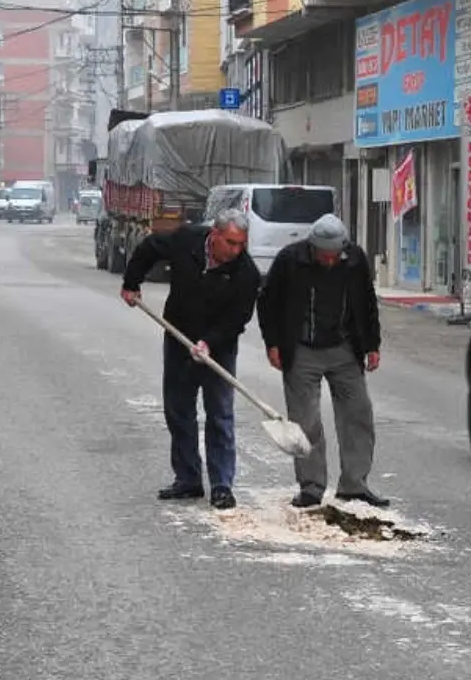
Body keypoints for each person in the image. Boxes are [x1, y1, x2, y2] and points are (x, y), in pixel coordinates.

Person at [120, 209, 261, 510]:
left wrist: (210, 342)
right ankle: (188, 479)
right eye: (230, 243)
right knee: (179, 410)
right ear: (215, 235)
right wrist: (131, 282)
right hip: (178, 337)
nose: (236, 251)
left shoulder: (245, 273)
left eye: (241, 245)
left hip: (218, 349)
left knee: (220, 414)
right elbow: (149, 248)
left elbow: (238, 319)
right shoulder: (187, 241)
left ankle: (222, 485)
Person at [257, 213, 389, 509]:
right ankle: (312, 486)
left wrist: (372, 345)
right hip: (301, 349)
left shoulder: (355, 260)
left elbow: (367, 303)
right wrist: (274, 344)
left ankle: (354, 485)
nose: (330, 261)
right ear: (312, 247)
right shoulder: (290, 260)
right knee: (306, 421)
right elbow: (267, 302)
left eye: (335, 255)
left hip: (344, 347)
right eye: (324, 256)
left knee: (358, 413)